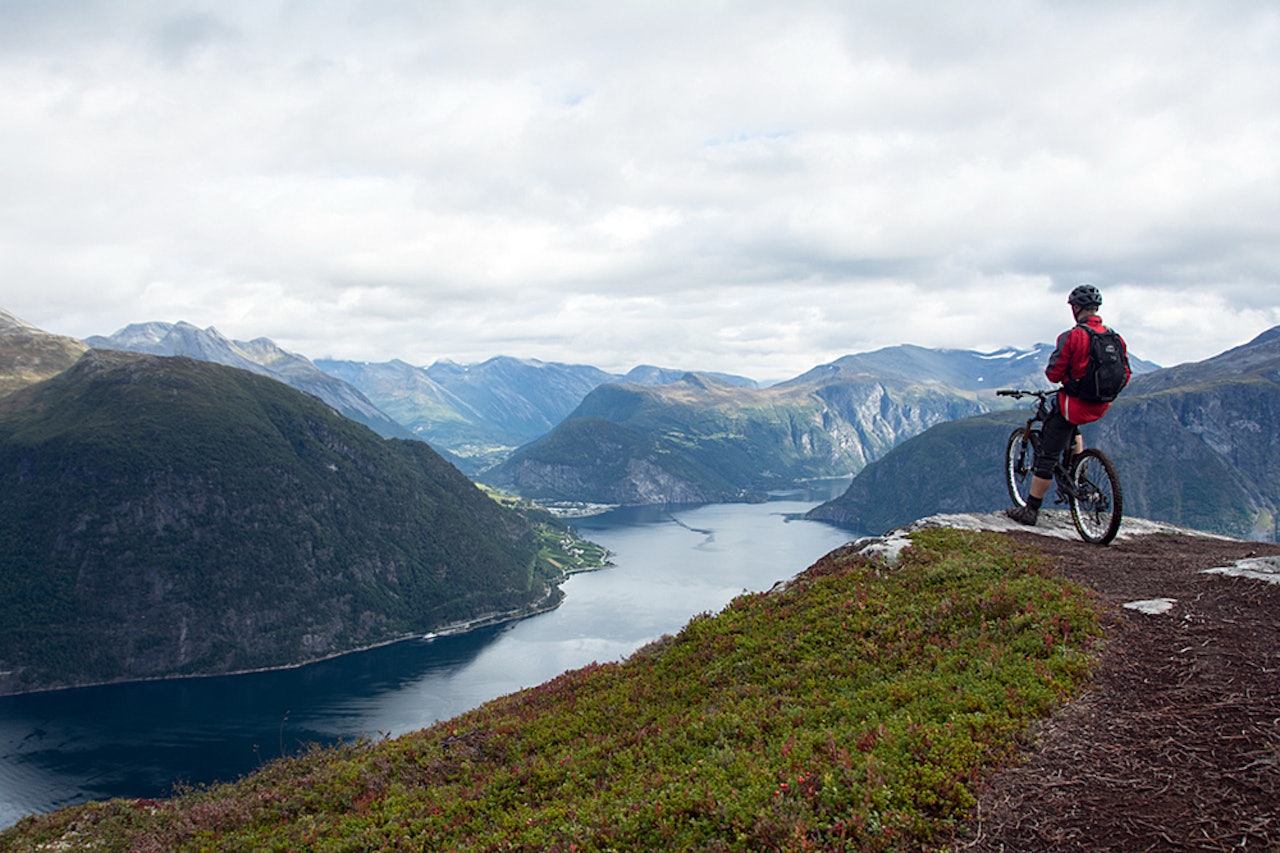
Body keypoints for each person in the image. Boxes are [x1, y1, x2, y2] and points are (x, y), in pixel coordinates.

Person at [1006, 284, 1130, 526]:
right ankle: (1078, 470)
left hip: (1073, 404)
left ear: (1076, 309)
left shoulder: (1072, 336)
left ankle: (1030, 509)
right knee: (1073, 429)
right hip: (1101, 405)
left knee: (1048, 453)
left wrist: (1071, 382)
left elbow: (1054, 374)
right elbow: (1125, 372)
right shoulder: (1114, 337)